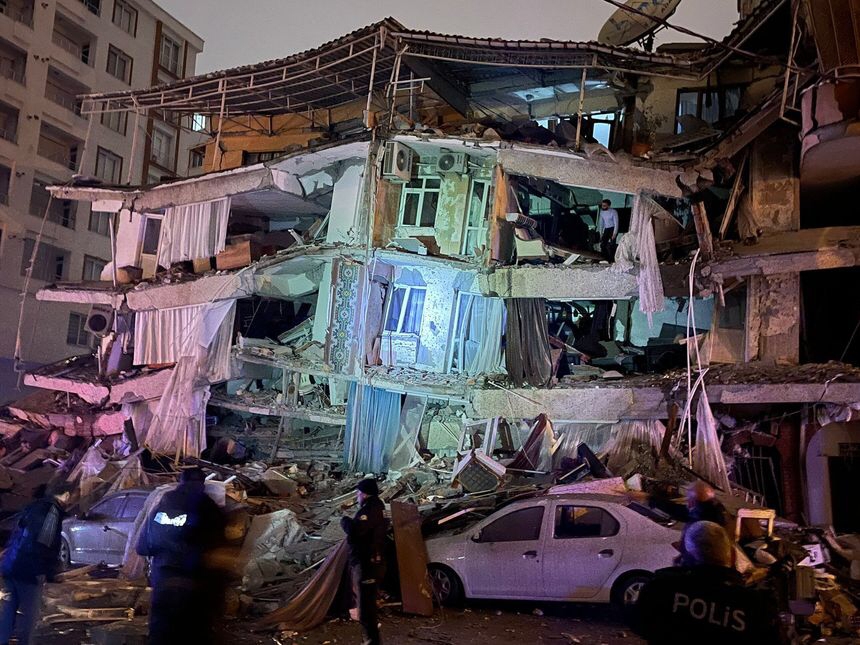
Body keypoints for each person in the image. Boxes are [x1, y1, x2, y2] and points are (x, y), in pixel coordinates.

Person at [635, 521, 784, 644]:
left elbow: (641, 626)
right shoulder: (756, 607)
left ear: (684, 556)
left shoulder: (660, 589)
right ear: (732, 556)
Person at [136, 467, 226, 645]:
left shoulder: (163, 504)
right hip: (195, 583)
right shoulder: (210, 508)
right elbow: (219, 551)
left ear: (181, 481)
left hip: (163, 580)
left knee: (160, 633)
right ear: (203, 484)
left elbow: (142, 546)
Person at [0, 483, 65, 645]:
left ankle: (2, 640)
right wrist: (51, 572)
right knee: (30, 613)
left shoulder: (32, 508)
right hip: (29, 568)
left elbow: (16, 535)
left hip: (11, 565)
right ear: (66, 495)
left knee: (9, 608)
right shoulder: (52, 512)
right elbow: (45, 544)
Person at [341, 478, 386, 645]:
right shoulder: (379, 508)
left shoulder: (369, 511)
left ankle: (371, 642)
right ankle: (371, 640)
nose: (357, 496)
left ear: (365, 494)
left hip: (366, 564)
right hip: (374, 562)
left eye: (358, 493)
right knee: (368, 606)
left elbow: (355, 532)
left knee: (366, 609)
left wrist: (345, 520)